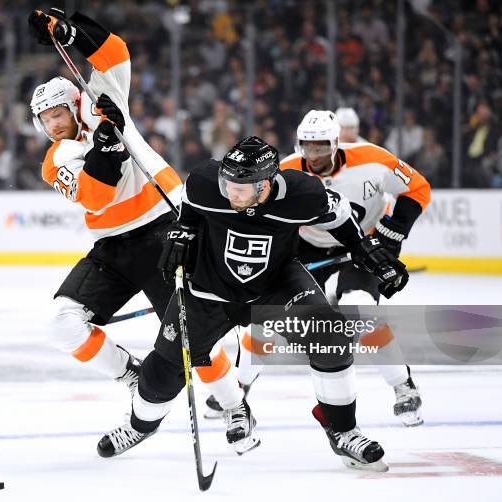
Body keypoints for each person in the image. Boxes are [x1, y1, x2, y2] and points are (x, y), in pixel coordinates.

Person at [98, 135, 409, 471]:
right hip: (207, 289)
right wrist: (183, 229)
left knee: (330, 336)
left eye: (240, 187)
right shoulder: (207, 182)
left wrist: (365, 249)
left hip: (275, 284)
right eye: (227, 182)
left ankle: (343, 430)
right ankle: (140, 426)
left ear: (265, 185)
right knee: (163, 371)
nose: (230, 192)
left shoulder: (302, 195)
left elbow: (339, 214)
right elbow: (191, 200)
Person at [28, 9, 244, 415]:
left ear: (75, 105)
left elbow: (115, 52)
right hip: (114, 248)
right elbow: (94, 196)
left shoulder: (101, 106)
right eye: (45, 119)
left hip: (166, 229)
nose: (53, 124)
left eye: (57, 113)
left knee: (194, 338)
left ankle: (235, 406)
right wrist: (107, 148)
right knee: (63, 324)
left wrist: (70, 31)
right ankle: (131, 375)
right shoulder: (56, 160)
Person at [231, 111, 430, 427]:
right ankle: (236, 392)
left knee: (361, 310)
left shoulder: (373, 159)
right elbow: (260, 217)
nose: (314, 155)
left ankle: (402, 386)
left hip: (359, 245)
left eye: (322, 147)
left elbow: (418, 188)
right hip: (306, 248)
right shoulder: (283, 171)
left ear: (337, 143)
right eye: (308, 147)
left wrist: (393, 232)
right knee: (266, 319)